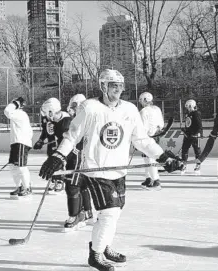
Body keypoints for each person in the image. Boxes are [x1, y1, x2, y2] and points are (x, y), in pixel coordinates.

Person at [38, 69, 183, 271]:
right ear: (103, 86)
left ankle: (103, 246)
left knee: (115, 213)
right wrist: (58, 156)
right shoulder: (90, 108)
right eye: (114, 85)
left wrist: (164, 157)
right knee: (109, 212)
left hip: (118, 171)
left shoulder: (130, 110)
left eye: (121, 85)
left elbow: (141, 140)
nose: (118, 89)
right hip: (96, 170)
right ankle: (95, 255)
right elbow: (72, 136)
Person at [64, 93, 94, 232]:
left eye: (73, 107)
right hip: (82, 156)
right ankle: (86, 213)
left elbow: (75, 140)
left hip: (77, 156)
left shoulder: (82, 117)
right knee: (82, 186)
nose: (71, 110)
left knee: (72, 186)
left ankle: (74, 217)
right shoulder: (85, 116)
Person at [33, 97, 70, 195]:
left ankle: (60, 180)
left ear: (51, 111)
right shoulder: (47, 117)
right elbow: (46, 130)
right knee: (51, 160)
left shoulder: (66, 120)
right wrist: (41, 140)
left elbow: (68, 138)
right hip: (51, 143)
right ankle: (54, 179)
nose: (44, 115)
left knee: (59, 161)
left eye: (46, 112)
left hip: (61, 145)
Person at [4, 97, 33, 199]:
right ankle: (20, 186)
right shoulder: (18, 114)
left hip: (21, 142)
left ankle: (27, 187)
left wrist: (15, 104)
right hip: (16, 143)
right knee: (13, 166)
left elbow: (7, 111)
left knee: (21, 166)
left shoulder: (20, 114)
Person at [138, 92, 164, 190]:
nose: (140, 102)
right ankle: (148, 178)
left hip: (148, 137)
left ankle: (156, 180)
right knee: (148, 158)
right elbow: (161, 124)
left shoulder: (143, 111)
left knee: (149, 158)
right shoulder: (157, 109)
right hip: (157, 135)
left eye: (141, 100)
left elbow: (143, 128)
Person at [180, 99, 203, 175]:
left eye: (188, 107)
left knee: (197, 150)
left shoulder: (196, 114)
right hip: (188, 136)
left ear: (191, 106)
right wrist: (185, 130)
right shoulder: (188, 114)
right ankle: (184, 164)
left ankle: (198, 165)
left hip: (194, 136)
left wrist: (197, 133)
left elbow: (199, 125)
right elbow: (188, 124)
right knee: (184, 150)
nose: (187, 109)